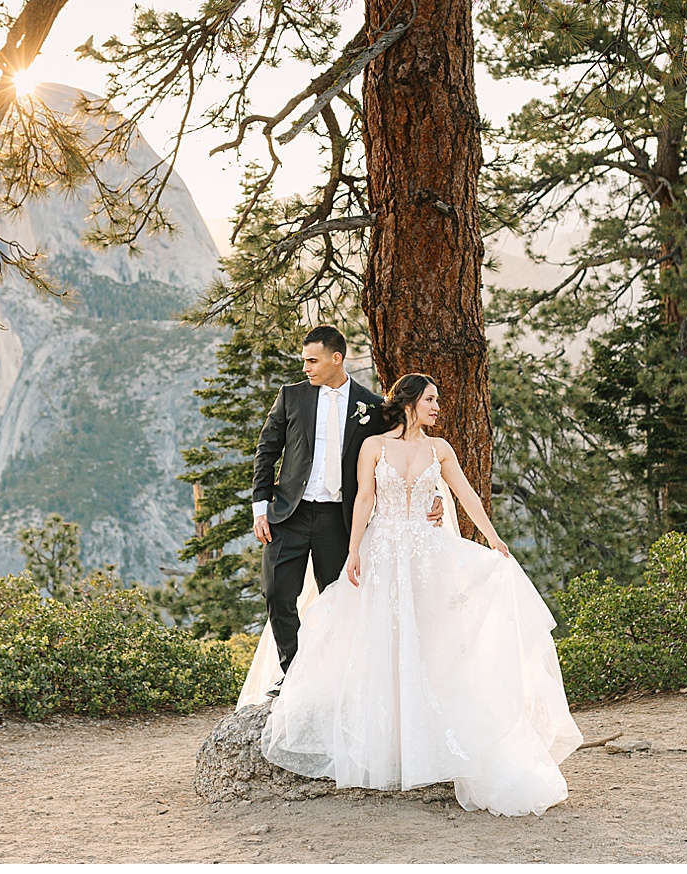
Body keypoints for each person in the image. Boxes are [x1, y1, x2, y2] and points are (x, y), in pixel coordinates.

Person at [259, 373, 584, 817]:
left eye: (438, 399)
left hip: (426, 556)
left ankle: (430, 736)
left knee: (430, 640)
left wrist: (494, 540)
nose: (437, 406)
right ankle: (386, 739)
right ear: (409, 402)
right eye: (430, 399)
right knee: (380, 640)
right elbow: (363, 501)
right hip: (382, 551)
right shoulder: (374, 446)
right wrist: (353, 550)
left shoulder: (441, 449)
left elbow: (464, 493)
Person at [250, 326, 441, 694]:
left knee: (338, 600)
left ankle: (332, 674)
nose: (305, 367)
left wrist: (427, 493)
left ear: (336, 358)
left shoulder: (370, 405)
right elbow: (267, 450)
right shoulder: (291, 396)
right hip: (289, 513)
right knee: (276, 592)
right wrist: (261, 506)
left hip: (339, 520)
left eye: (312, 360)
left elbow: (399, 449)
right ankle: (293, 673)